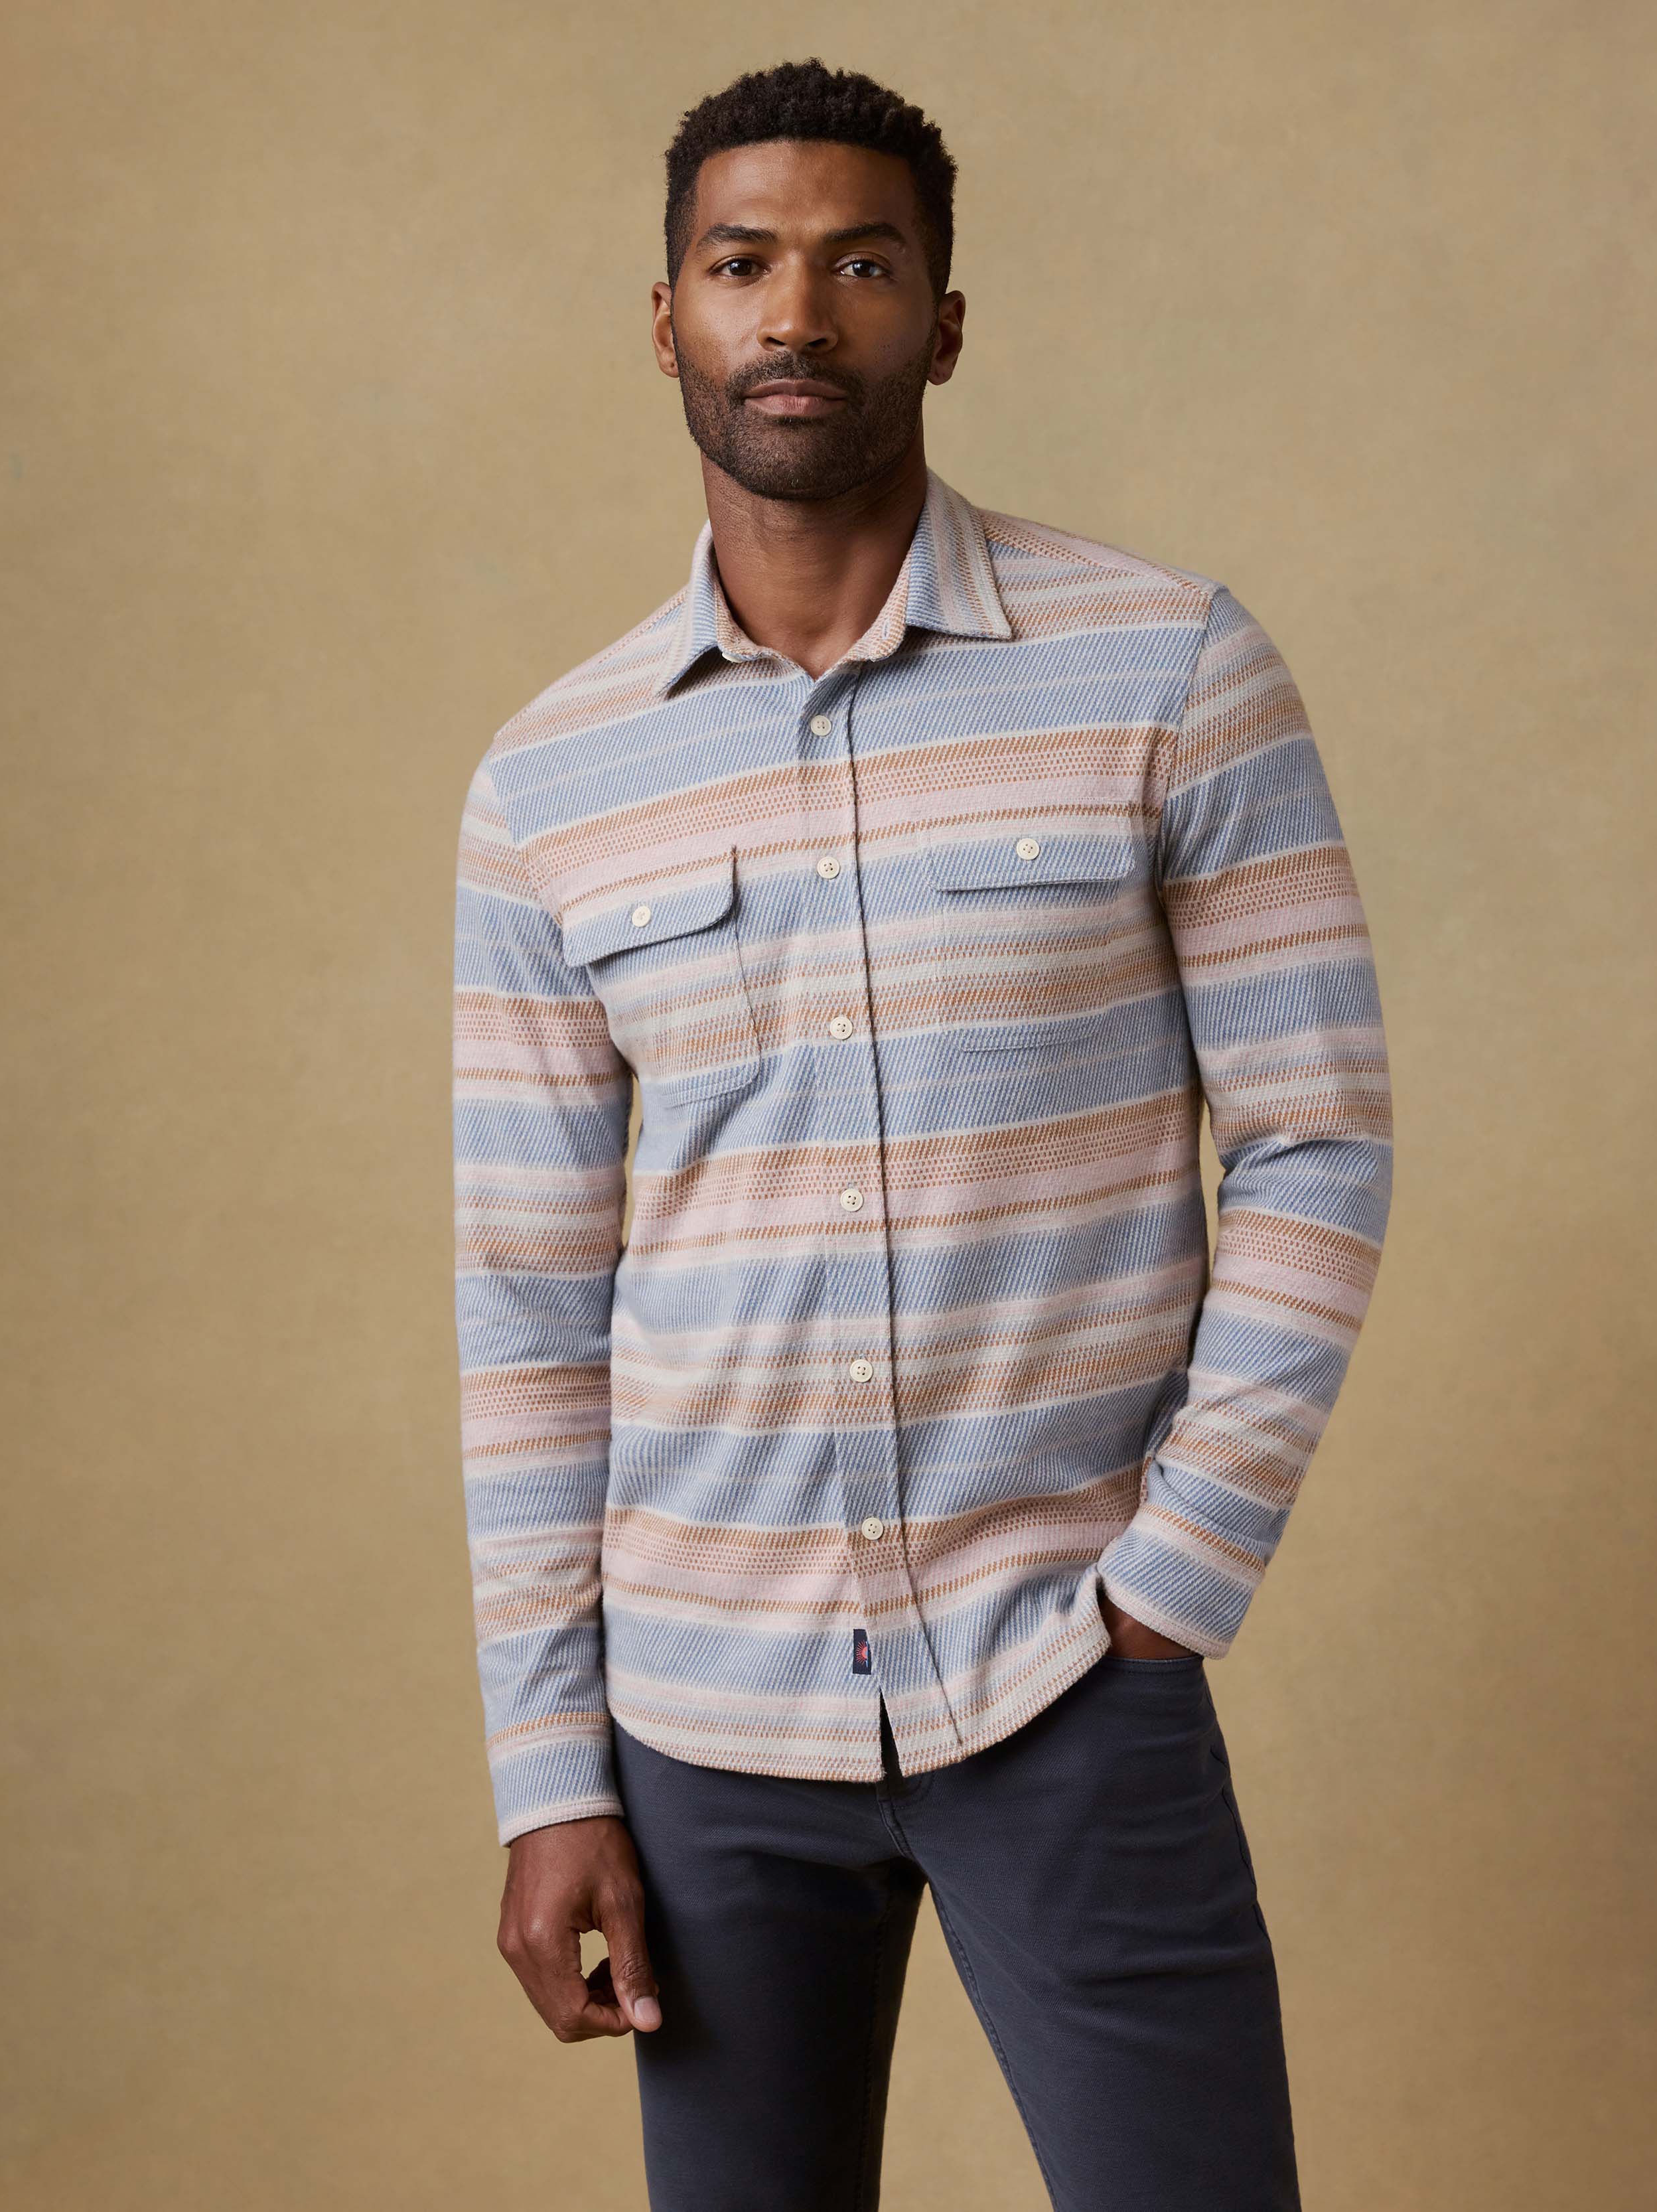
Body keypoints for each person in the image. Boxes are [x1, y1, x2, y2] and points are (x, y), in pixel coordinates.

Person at [451, 56, 1392, 2212]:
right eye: (741, 263)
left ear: (942, 320)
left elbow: (1318, 1138)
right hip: (699, 1728)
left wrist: (1173, 1576)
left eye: (859, 263)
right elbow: (526, 1308)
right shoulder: (548, 784)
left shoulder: (1166, 665)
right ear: (667, 315)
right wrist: (544, 1772)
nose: (797, 313)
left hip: (1070, 1666)